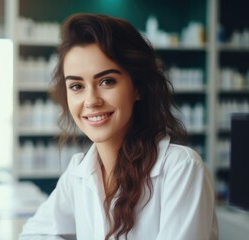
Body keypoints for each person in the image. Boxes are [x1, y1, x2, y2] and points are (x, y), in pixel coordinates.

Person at [19, 13, 218, 240]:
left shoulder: (180, 169)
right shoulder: (79, 172)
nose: (91, 100)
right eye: (76, 86)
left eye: (107, 81)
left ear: (138, 88)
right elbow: (34, 234)